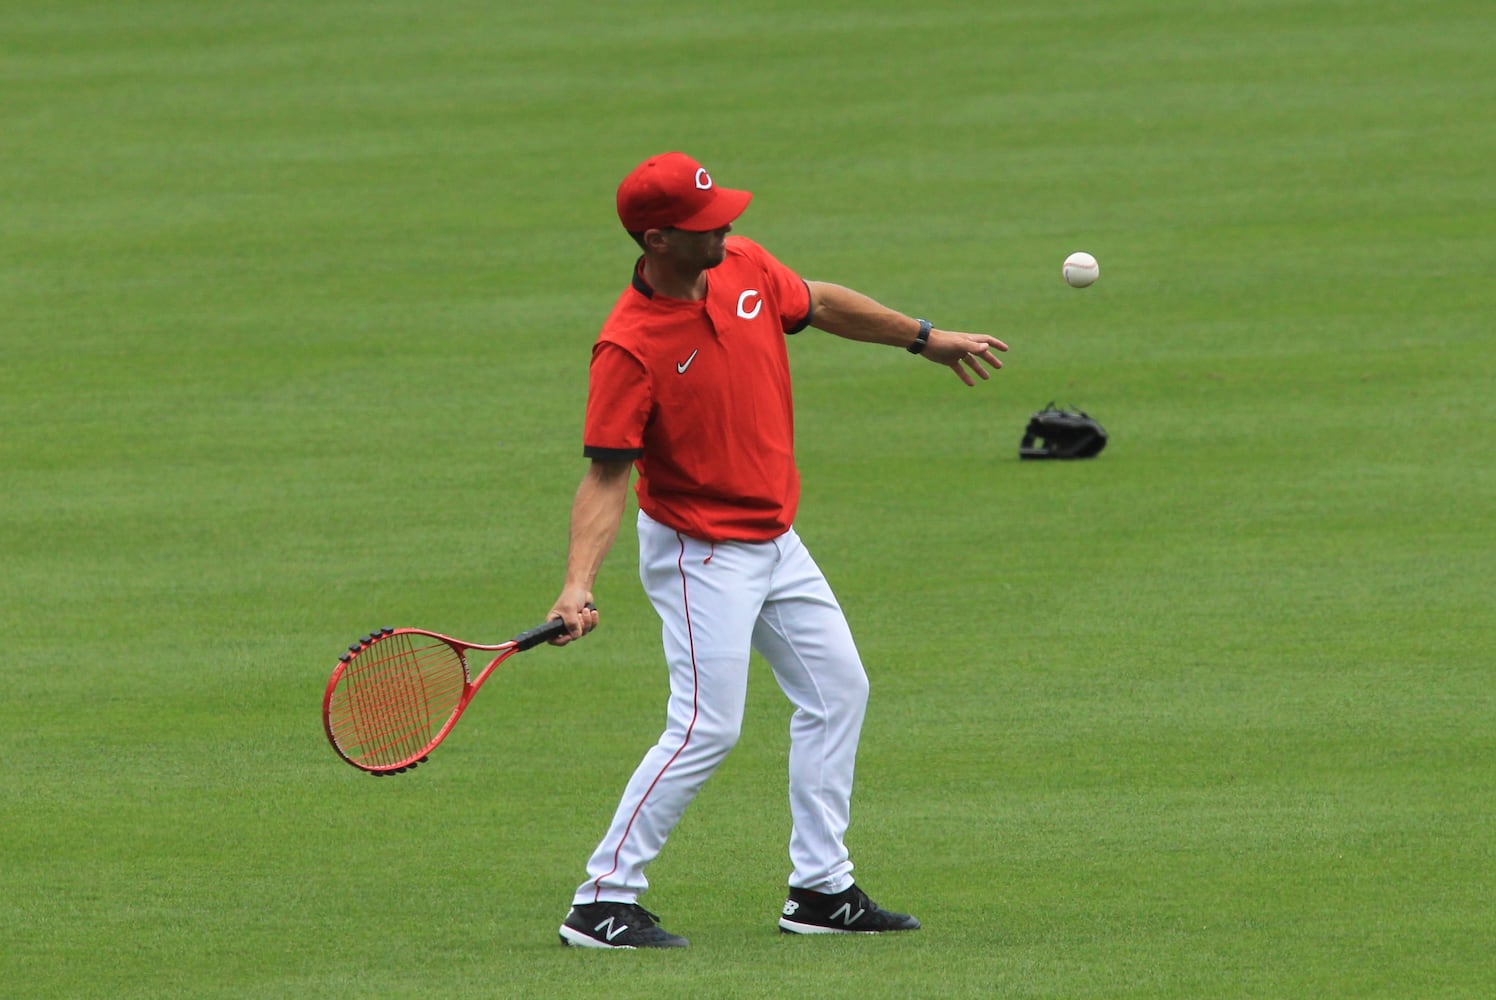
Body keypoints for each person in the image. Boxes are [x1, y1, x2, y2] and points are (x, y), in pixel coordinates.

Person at [547, 152, 1008, 949]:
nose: (723, 224)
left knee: (839, 692)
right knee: (704, 728)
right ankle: (601, 900)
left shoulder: (744, 263)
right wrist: (576, 585)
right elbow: (605, 475)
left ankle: (821, 891)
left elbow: (818, 302)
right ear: (656, 239)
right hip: (701, 554)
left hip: (775, 536)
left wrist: (922, 337)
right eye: (703, 222)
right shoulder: (629, 346)